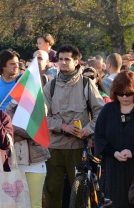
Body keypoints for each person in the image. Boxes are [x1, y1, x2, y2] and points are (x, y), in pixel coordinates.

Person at [43, 44, 105, 208]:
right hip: (54, 147)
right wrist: (62, 126)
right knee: (52, 190)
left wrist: (87, 130)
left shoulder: (87, 84)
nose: (63, 63)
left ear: (76, 61)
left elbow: (101, 113)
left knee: (79, 194)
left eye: (67, 59)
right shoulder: (50, 86)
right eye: (60, 59)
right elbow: (42, 117)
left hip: (78, 147)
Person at [94, 71, 134, 208]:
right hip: (114, 169)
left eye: (129, 93)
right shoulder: (108, 110)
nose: (124, 97)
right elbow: (99, 136)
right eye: (120, 93)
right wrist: (113, 152)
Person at [5, 99, 50, 208]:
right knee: (17, 205)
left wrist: (13, 128)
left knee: (34, 204)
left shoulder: (39, 104)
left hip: (36, 162)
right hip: (15, 162)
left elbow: (34, 130)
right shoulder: (10, 106)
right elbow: (6, 131)